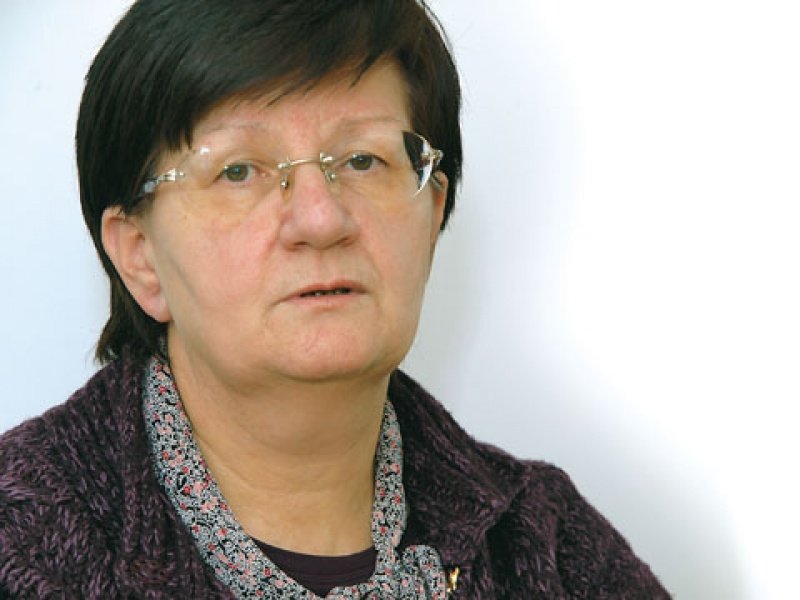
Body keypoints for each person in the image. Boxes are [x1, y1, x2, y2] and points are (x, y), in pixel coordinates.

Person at [0, 1, 670, 598]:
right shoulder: (24, 540)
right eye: (239, 170)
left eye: (362, 160)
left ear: (432, 213)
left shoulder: (544, 541)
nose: (321, 220)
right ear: (140, 255)